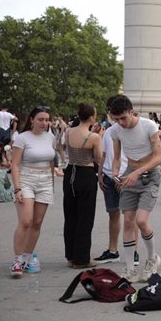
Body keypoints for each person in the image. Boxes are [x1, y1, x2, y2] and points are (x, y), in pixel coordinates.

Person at [108, 95, 161, 283]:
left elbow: (158, 158)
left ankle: (152, 258)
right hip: (130, 174)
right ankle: (130, 268)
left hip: (149, 174)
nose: (120, 123)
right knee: (129, 221)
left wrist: (136, 173)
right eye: (116, 119)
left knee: (141, 220)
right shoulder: (115, 130)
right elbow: (116, 157)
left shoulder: (148, 126)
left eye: (123, 118)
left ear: (131, 112)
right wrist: (116, 173)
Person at [9, 106, 56, 276]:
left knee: (37, 223)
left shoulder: (50, 137)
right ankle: (17, 260)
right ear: (32, 120)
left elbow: (51, 162)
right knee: (26, 221)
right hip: (26, 179)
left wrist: (51, 183)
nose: (44, 123)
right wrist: (17, 188)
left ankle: (27, 259)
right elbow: (14, 164)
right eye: (40, 119)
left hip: (45, 182)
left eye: (46, 119)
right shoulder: (22, 138)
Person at [95, 101, 139, 266]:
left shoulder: (135, 131)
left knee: (130, 216)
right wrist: (99, 175)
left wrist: (125, 177)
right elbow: (104, 155)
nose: (118, 121)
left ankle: (134, 252)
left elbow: (135, 159)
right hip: (108, 176)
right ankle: (112, 251)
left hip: (127, 177)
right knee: (113, 214)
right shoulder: (109, 132)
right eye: (114, 116)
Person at [62, 103, 103, 269]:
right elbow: (98, 158)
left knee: (70, 215)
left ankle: (71, 255)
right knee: (85, 217)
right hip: (86, 174)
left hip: (70, 172)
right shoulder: (94, 137)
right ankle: (82, 258)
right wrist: (96, 135)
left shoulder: (68, 132)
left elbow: (66, 149)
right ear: (92, 117)